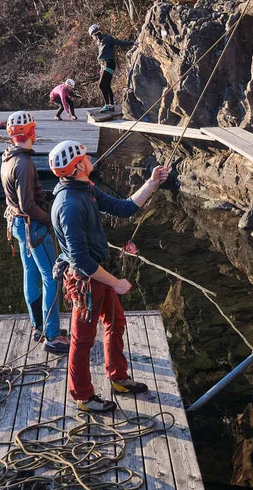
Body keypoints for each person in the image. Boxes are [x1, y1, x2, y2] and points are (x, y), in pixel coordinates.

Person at [47, 139, 169, 412]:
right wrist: (116, 283)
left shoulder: (85, 188)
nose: (90, 157)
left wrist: (151, 183)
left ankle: (118, 377)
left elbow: (123, 207)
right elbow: (79, 259)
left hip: (98, 277)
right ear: (77, 166)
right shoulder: (69, 205)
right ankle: (82, 395)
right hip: (86, 283)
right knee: (82, 340)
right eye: (84, 156)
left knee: (116, 321)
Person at [0, 111, 67, 357]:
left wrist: (46, 195)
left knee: (30, 273)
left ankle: (37, 327)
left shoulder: (8, 156)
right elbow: (27, 205)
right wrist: (49, 219)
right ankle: (52, 335)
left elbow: (22, 198)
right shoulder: (25, 163)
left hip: (17, 223)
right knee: (51, 278)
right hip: (33, 227)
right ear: (31, 132)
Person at [87, 24, 135, 110]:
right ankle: (111, 105)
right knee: (107, 85)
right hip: (105, 64)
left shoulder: (107, 39)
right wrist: (101, 66)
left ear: (95, 34)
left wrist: (133, 43)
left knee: (101, 85)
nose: (93, 38)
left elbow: (119, 42)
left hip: (109, 64)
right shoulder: (100, 41)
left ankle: (107, 105)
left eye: (92, 36)